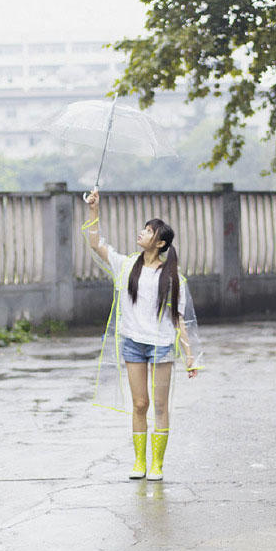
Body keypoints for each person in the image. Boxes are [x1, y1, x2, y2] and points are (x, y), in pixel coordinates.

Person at [84, 189, 199, 481]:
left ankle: (157, 464)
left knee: (160, 406)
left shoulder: (172, 277)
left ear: (160, 243)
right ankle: (139, 462)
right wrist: (94, 209)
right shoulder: (125, 265)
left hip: (162, 346)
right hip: (133, 343)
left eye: (148, 231)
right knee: (139, 404)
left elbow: (179, 319)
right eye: (144, 229)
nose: (142, 233)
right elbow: (95, 243)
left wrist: (189, 356)